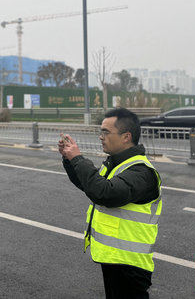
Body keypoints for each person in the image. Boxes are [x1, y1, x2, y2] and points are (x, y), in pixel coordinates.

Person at [58, 108, 162, 299]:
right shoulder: (115, 164)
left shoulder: (141, 171)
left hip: (130, 263)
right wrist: (69, 160)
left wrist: (78, 159)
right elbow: (89, 186)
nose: (101, 137)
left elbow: (104, 193)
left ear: (126, 137)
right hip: (115, 258)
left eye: (106, 132)